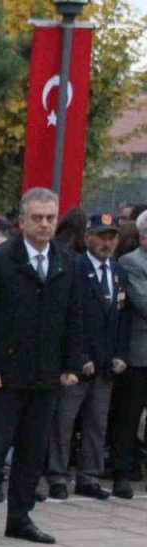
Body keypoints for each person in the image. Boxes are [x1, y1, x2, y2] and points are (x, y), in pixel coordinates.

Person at [0, 187, 82, 546]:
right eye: (37, 218)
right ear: (22, 220)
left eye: (51, 218)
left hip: (46, 371)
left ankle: (20, 517)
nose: (45, 224)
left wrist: (70, 364)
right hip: (5, 373)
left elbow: (73, 317)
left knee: (33, 451)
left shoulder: (66, 260)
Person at [46, 213, 127, 501]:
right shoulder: (74, 267)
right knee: (63, 422)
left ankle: (89, 475)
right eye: (102, 236)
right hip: (78, 363)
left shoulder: (118, 272)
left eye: (112, 237)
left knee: (97, 424)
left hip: (106, 363)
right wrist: (78, 357)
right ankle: (57, 475)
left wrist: (119, 354)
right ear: (87, 237)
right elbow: (67, 318)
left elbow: (120, 318)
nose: (107, 242)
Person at [110, 210, 147, 499]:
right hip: (137, 354)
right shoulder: (131, 262)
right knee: (128, 416)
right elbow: (143, 301)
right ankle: (121, 472)